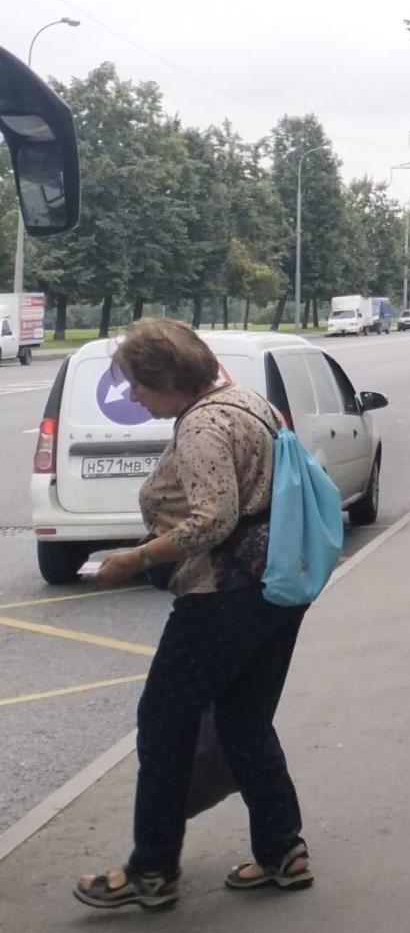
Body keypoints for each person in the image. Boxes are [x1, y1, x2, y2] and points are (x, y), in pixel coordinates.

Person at [72, 319, 313, 912]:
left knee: (163, 723)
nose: (133, 397)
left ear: (166, 379)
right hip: (275, 585)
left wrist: (136, 558)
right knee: (244, 721)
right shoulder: (247, 402)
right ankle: (282, 850)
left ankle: (152, 869)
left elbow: (213, 519)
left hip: (220, 594)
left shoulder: (204, 425)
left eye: (137, 385)